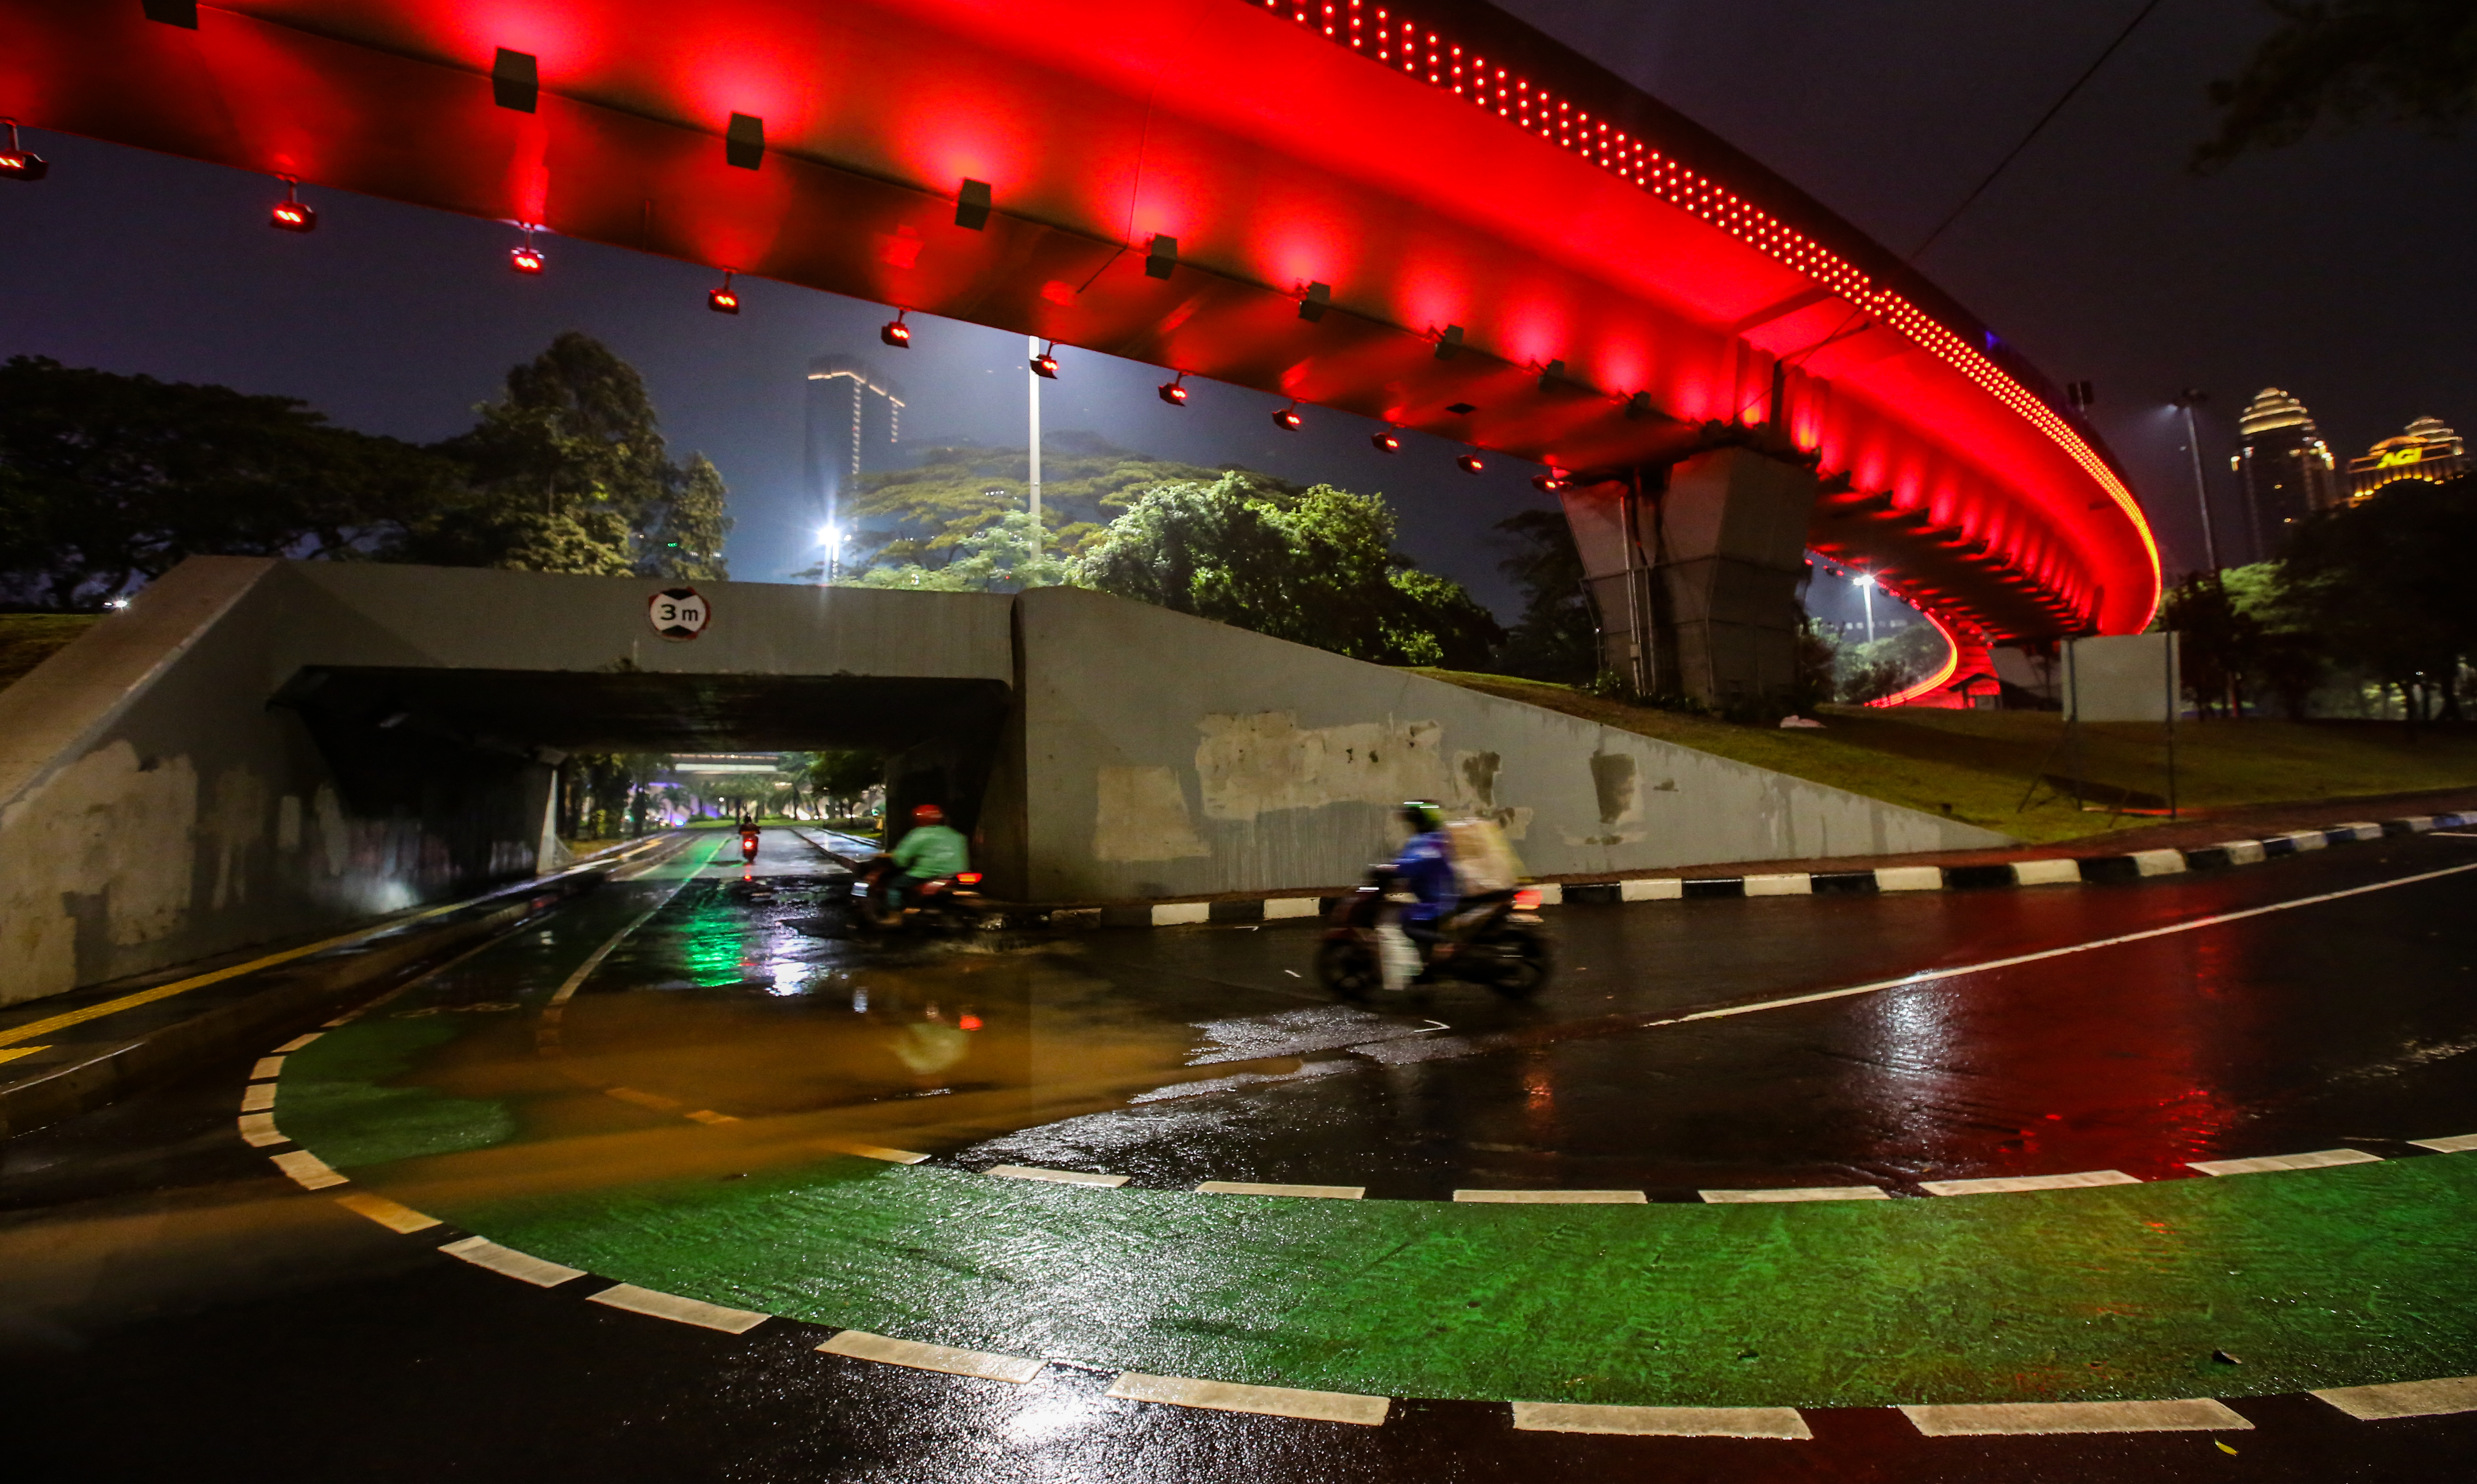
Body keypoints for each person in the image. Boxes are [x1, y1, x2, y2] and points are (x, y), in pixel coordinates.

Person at [1390, 799, 1459, 971]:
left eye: (1413, 821)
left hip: (1438, 902)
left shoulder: (1429, 842)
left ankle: (1443, 943)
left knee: (1406, 923)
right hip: (1439, 898)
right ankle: (1426, 962)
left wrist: (1390, 869)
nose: (1411, 826)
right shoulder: (1437, 838)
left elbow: (1413, 862)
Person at [883, 802, 969, 908]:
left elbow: (902, 858)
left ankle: (894, 916)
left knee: (894, 886)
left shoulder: (919, 834)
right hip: (955, 875)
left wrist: (899, 862)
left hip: (926, 875)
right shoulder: (955, 835)